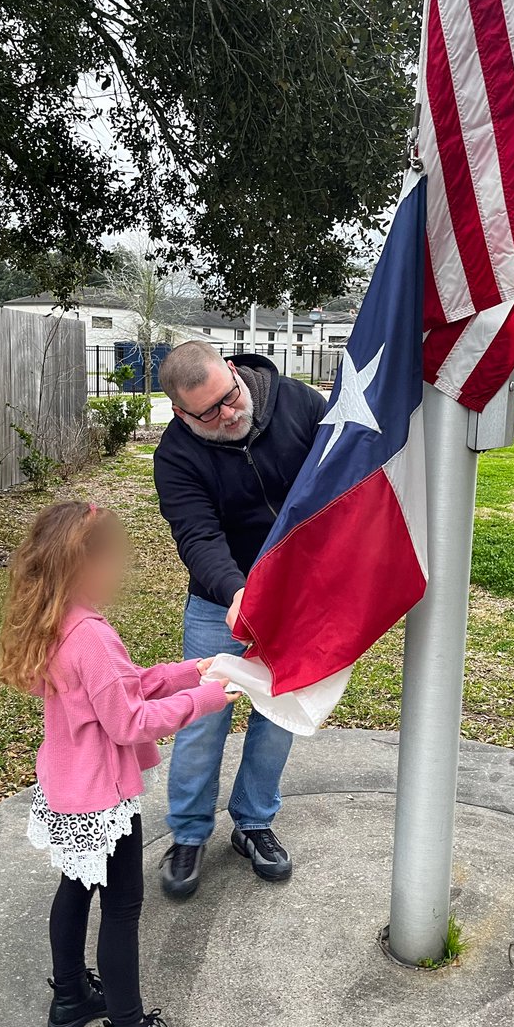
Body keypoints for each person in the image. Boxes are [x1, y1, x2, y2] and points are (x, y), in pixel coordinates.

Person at [0, 500, 236, 1027]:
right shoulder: (91, 636)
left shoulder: (57, 621)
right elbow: (128, 720)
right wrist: (203, 701)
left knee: (74, 892)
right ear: (82, 565)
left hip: (66, 792)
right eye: (111, 559)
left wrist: (189, 671)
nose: (118, 571)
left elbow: (119, 690)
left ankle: (71, 997)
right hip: (102, 800)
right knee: (124, 910)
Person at [153, 340, 327, 898]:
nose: (229, 414)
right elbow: (197, 535)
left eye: (230, 397)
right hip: (218, 603)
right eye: (209, 412)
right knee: (202, 721)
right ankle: (188, 833)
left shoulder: (300, 404)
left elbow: (348, 473)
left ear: (232, 371)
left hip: (299, 598)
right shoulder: (176, 455)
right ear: (182, 413)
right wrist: (237, 590)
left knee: (279, 714)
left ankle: (253, 824)